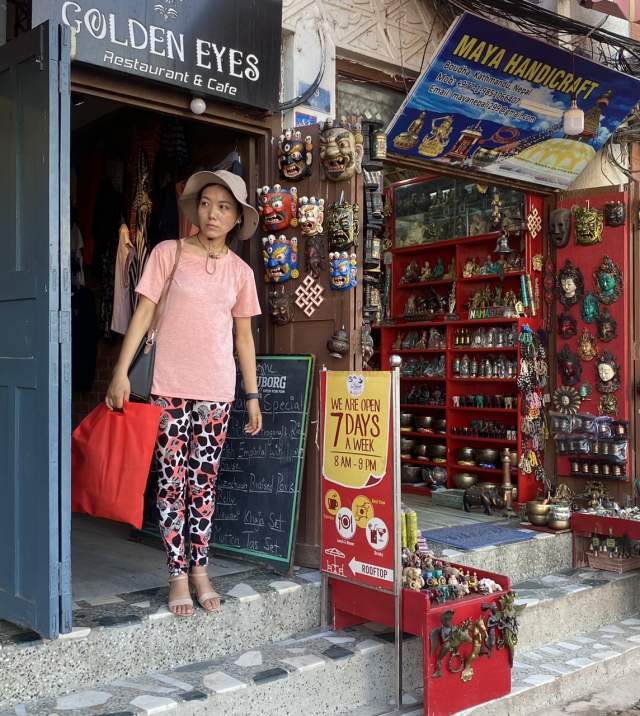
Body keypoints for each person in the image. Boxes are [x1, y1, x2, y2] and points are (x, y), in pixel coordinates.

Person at [106, 170, 262, 617]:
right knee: (171, 483)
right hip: (168, 388)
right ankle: (177, 574)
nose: (213, 213)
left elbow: (244, 339)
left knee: (203, 484)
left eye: (224, 207)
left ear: (237, 218)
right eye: (207, 203)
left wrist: (252, 395)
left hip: (216, 392)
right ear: (196, 208)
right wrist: (120, 372)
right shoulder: (167, 253)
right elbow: (143, 313)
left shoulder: (241, 273)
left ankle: (201, 571)